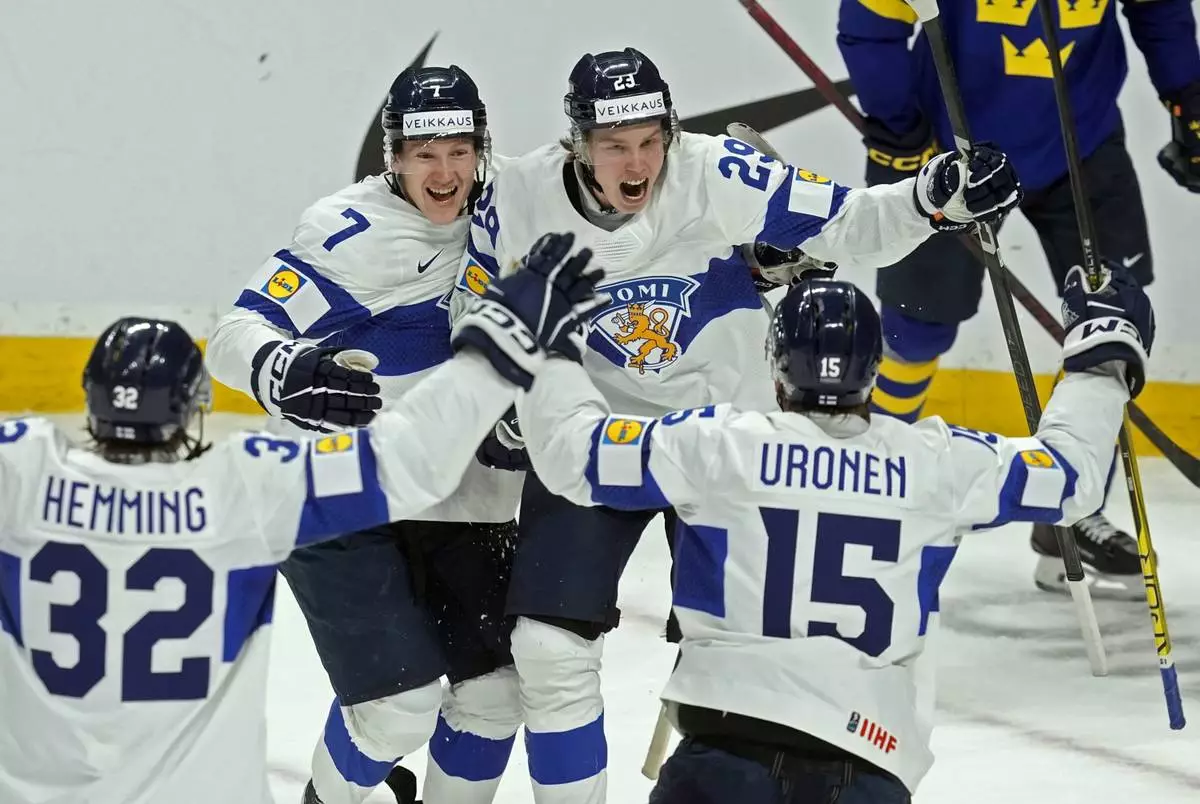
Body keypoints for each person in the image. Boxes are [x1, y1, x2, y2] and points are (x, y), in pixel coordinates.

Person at [449, 46, 1023, 803]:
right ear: (577, 142)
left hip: (723, 446)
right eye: (615, 145)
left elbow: (848, 224)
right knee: (548, 648)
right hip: (598, 441)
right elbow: (475, 305)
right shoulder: (517, 196)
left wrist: (931, 197)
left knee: (748, 671)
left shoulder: (717, 171)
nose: (637, 162)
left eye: (651, 141)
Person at [515, 249, 1154, 803]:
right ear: (875, 368)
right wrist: (1103, 355)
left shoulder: (716, 445)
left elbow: (574, 452)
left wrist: (550, 344)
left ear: (776, 365)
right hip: (868, 765)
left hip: (723, 757)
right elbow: (1067, 477)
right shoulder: (935, 463)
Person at [0, 233, 607, 804]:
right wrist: (499, 347)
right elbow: (407, 459)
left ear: (89, 399)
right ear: (193, 408)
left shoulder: (18, 474)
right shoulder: (244, 487)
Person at [205, 65, 528, 804]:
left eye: (459, 150)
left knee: (497, 699)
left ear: (483, 146)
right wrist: (284, 368)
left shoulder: (529, 203)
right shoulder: (347, 233)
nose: (444, 172)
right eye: (423, 154)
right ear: (393, 157)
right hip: (342, 499)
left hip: (466, 499)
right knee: (395, 710)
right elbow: (236, 331)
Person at [837, 0, 1199, 595]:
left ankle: (1071, 518)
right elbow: (873, 21)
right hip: (948, 148)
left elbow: (1157, 8)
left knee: (1113, 323)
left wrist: (1187, 92)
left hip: (1080, 136)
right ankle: (867, 484)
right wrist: (897, 121)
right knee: (917, 327)